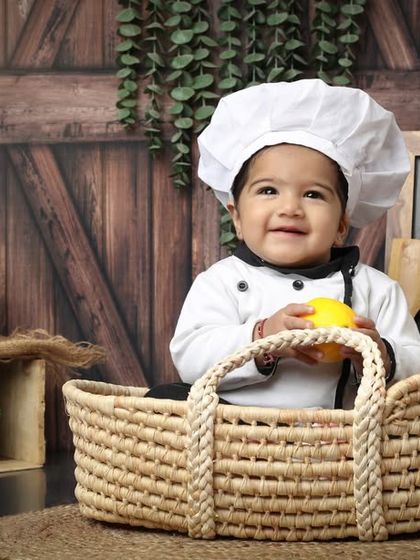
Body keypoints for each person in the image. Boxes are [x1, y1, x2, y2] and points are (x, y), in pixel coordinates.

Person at [146, 79, 420, 409]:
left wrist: (381, 356)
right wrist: (262, 337)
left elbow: (415, 368)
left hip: (341, 442)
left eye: (313, 194)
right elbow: (190, 358)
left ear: (341, 225)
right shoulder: (221, 282)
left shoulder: (377, 290)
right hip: (236, 436)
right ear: (236, 217)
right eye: (268, 190)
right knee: (164, 398)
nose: (290, 208)